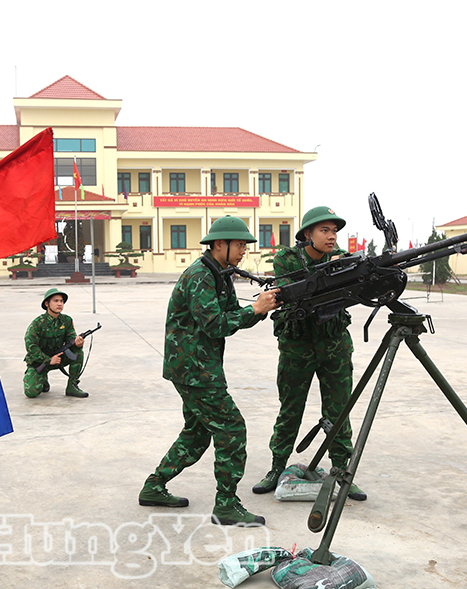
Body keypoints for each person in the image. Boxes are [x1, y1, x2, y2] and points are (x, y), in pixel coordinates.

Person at [139, 216, 280, 526]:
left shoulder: (219, 274)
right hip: (195, 369)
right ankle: (226, 505)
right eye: (240, 244)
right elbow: (215, 324)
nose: (244, 250)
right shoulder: (199, 276)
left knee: (198, 433)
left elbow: (231, 315)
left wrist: (263, 306)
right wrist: (254, 309)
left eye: (245, 245)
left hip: (196, 367)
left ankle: (153, 486)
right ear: (220, 244)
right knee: (231, 429)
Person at [252, 206, 366, 501]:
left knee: (339, 411)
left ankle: (343, 472)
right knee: (290, 410)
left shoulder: (341, 260)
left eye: (334, 231)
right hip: (297, 347)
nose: (331, 236)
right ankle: (277, 468)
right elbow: (299, 295)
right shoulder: (287, 259)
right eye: (324, 230)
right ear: (307, 234)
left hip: (334, 345)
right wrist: (333, 278)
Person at [23, 288, 89, 398]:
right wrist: (48, 360)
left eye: (61, 301)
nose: (59, 304)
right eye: (56, 301)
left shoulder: (66, 320)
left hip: (59, 357)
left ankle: (72, 386)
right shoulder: (37, 323)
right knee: (31, 393)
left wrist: (78, 343)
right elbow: (31, 346)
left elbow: (71, 338)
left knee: (77, 352)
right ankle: (42, 378)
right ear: (46, 304)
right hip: (40, 361)